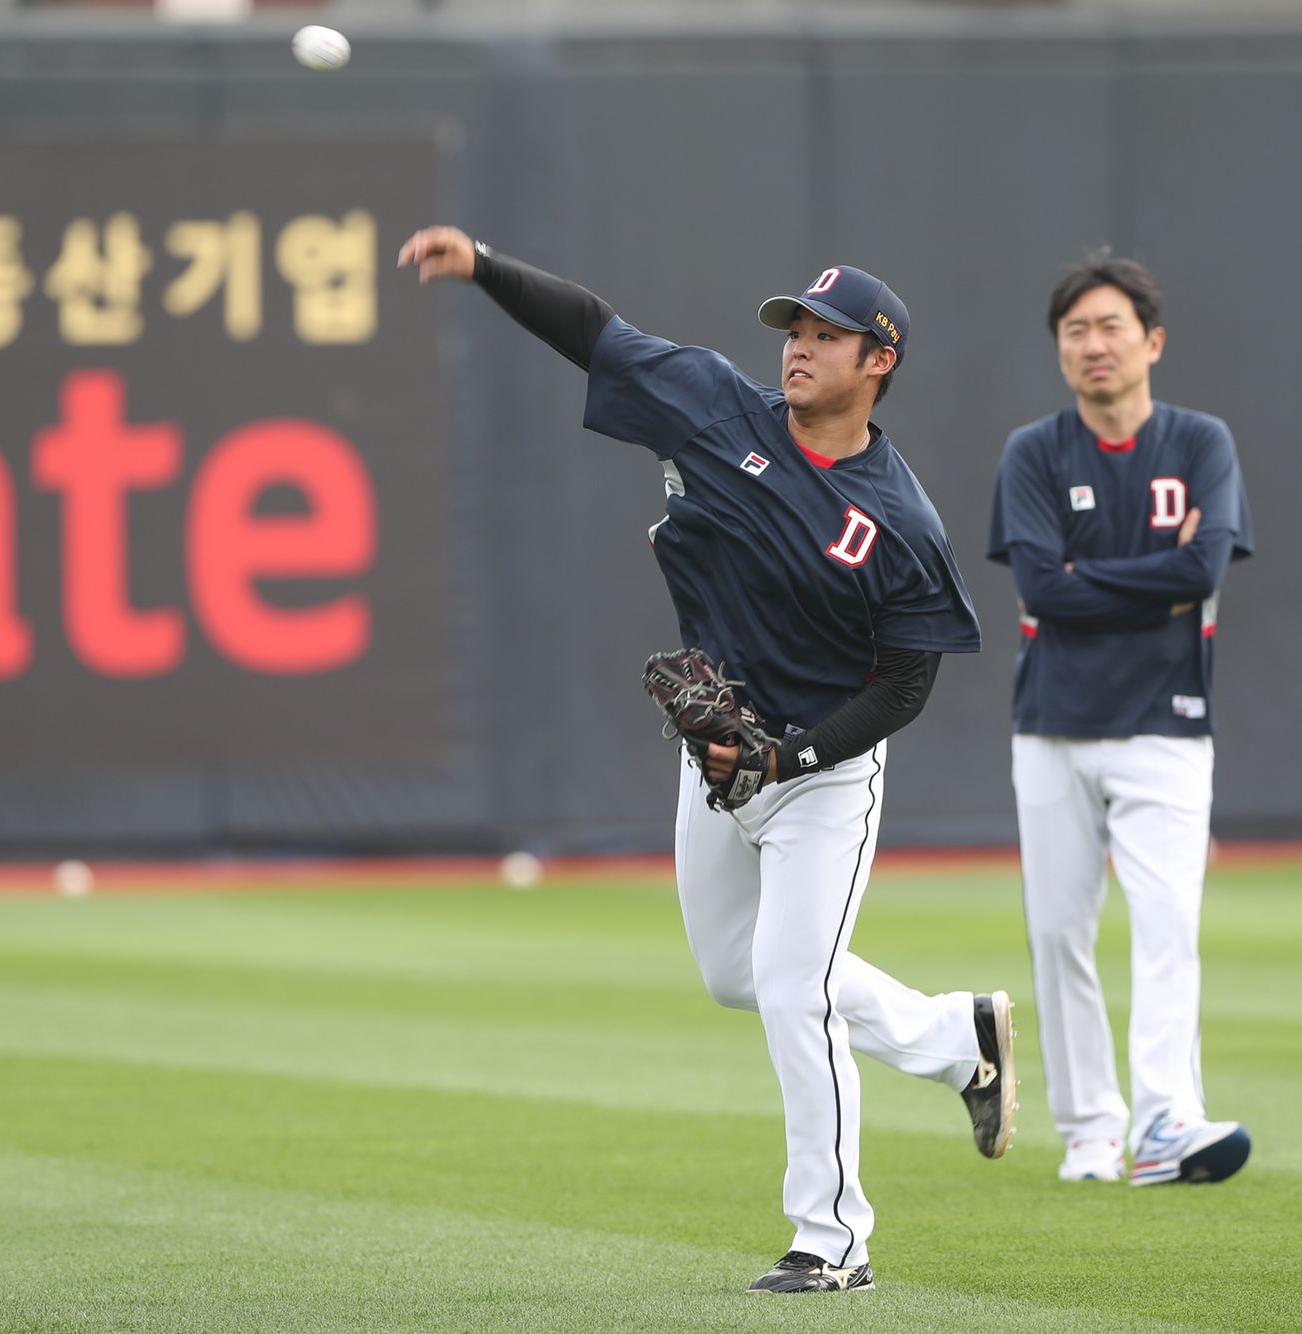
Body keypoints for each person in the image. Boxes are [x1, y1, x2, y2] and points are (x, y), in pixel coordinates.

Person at [400, 227, 1012, 1294]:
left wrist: (799, 752)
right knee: (737, 972)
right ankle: (954, 1037)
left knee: (791, 987)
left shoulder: (899, 520)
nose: (799, 348)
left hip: (821, 775)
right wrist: (483, 266)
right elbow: (594, 332)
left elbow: (906, 682)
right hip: (721, 759)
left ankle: (833, 1237)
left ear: (879, 362)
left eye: (829, 335)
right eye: (794, 328)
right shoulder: (712, 407)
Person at [986, 251, 1253, 1187]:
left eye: (1110, 327)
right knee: (1060, 932)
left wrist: (1094, 581)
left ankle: (1167, 1121)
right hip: (1052, 724)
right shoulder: (1035, 451)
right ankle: (1091, 1127)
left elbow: (1204, 573)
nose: (1093, 345)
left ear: (1153, 342)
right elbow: (1040, 591)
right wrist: (1150, 581)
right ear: (1059, 350)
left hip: (1168, 725)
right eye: (1075, 331)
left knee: (1167, 922)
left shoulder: (1201, 443)